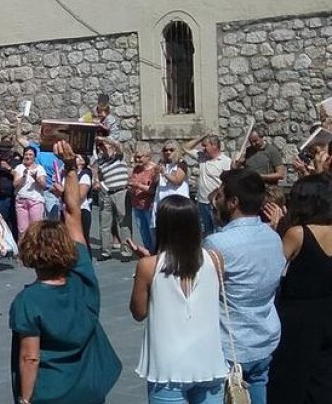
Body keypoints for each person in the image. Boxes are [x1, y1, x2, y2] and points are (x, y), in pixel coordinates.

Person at [10, 142, 121, 404]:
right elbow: (73, 214)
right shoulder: (83, 278)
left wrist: (25, 399)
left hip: (50, 393)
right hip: (90, 390)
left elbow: (30, 357)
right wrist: (71, 167)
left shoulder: (28, 301)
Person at [129, 195, 228, 403]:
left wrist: (144, 270)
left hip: (168, 365)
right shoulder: (216, 259)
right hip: (208, 360)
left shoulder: (148, 266)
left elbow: (139, 312)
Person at [204, 169, 283, 404]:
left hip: (231, 342)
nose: (215, 199)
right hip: (265, 335)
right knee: (259, 388)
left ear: (233, 202)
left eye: (220, 194)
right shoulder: (274, 236)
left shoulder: (217, 243)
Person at [265, 174, 332, 403]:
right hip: (327, 308)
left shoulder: (298, 233)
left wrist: (275, 231)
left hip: (299, 314)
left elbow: (273, 269)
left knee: (293, 376)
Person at [183, 134, 233, 236]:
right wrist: (202, 137)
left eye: (205, 146)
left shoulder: (226, 161)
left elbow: (228, 182)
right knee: (206, 231)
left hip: (216, 204)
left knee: (219, 230)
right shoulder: (201, 157)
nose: (203, 148)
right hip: (202, 202)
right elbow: (185, 147)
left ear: (214, 145)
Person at [129, 144, 158, 252]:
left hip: (149, 206)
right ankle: (148, 252)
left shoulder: (154, 170)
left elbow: (153, 190)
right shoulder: (136, 169)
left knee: (152, 232)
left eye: (140, 157)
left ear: (148, 157)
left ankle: (155, 253)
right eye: (136, 157)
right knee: (143, 232)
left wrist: (138, 185)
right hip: (137, 205)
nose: (137, 159)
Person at [13, 147, 47, 237]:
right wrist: (23, 176)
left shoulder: (40, 168)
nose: (28, 156)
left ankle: (36, 250)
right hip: (21, 201)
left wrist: (36, 178)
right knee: (22, 230)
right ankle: (22, 250)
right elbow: (15, 184)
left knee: (35, 229)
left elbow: (44, 186)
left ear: (34, 156)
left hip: (35, 201)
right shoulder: (19, 168)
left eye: (30, 154)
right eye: (26, 154)